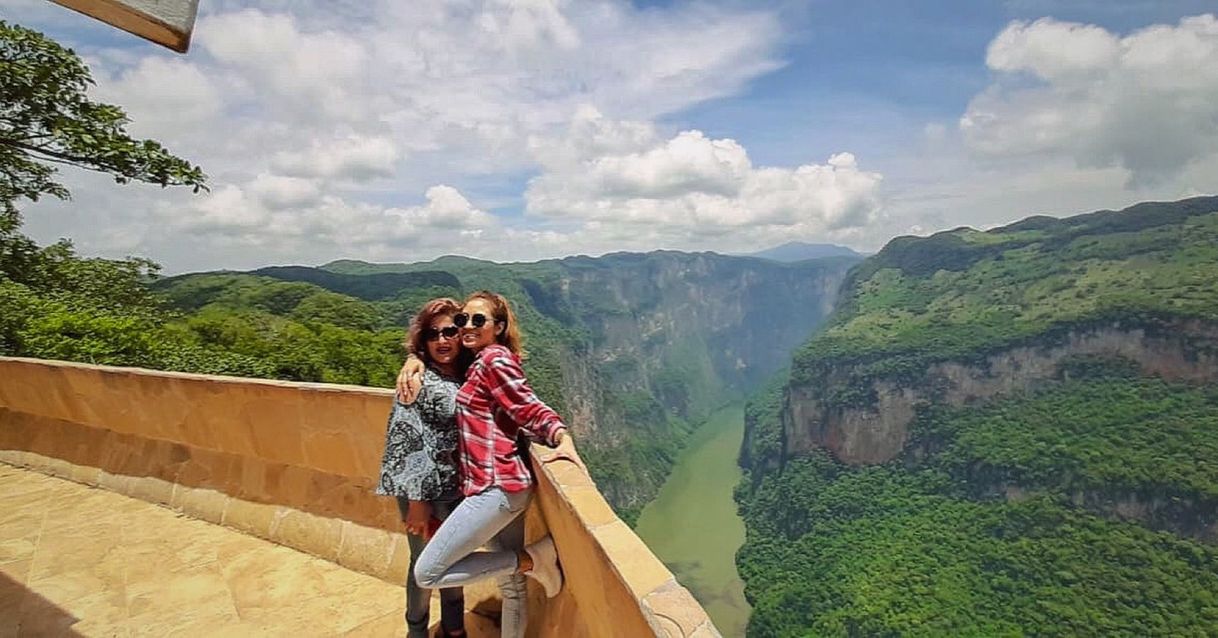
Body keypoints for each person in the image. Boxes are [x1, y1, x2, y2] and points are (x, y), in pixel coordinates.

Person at [402, 291, 580, 638]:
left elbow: (528, 407)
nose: (467, 325)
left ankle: (531, 559)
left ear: (498, 327)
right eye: (462, 320)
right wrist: (414, 359)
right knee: (512, 588)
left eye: (478, 320)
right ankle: (526, 566)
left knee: (427, 573)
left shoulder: (495, 360)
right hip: (496, 487)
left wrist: (561, 435)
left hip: (496, 489)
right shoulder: (476, 363)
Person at [376, 298, 471, 638]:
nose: (442, 340)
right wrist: (418, 501)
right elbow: (406, 440)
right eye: (433, 334)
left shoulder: (464, 372)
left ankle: (454, 627)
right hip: (426, 492)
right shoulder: (415, 381)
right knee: (423, 564)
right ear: (423, 339)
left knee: (453, 559)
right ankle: (416, 630)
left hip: (458, 489)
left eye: (450, 331)